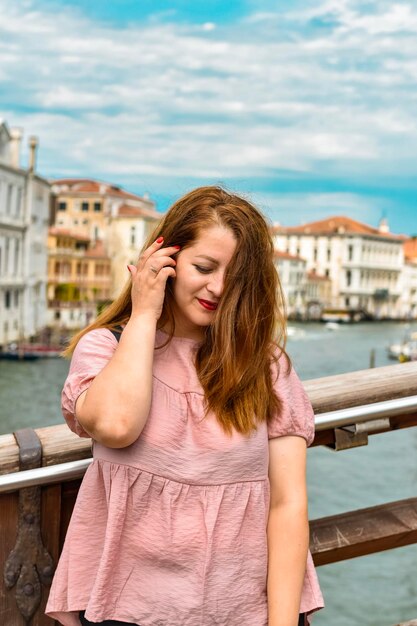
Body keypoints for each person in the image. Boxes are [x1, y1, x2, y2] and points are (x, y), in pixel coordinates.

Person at [46, 186, 324, 626]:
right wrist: (143, 313)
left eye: (233, 276)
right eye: (204, 267)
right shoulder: (105, 348)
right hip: (127, 610)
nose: (217, 287)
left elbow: (288, 505)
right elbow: (117, 426)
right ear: (166, 260)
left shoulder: (265, 367)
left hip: (241, 611)